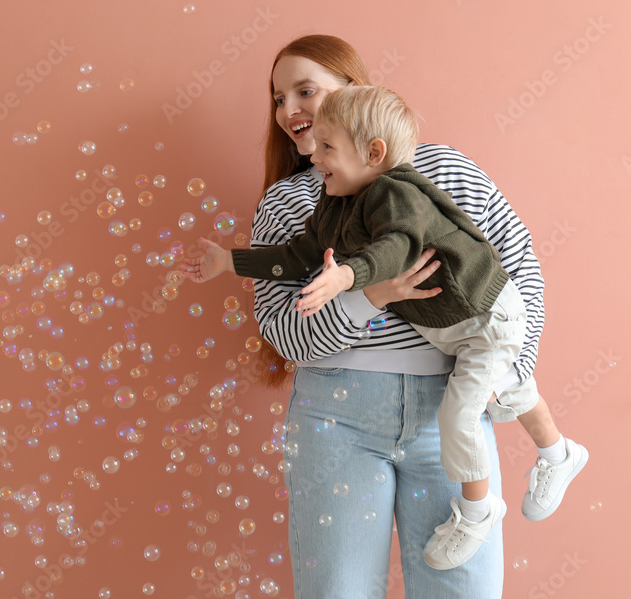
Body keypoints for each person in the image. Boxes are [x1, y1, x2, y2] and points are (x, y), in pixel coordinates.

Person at [183, 84, 588, 571]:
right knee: (509, 388)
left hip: (486, 313)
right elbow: (295, 257)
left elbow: (396, 246)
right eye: (277, 97)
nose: (315, 158)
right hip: (452, 329)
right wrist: (227, 260)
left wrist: (349, 277)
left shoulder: (397, 192)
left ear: (373, 152)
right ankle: (560, 452)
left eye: (327, 146)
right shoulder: (334, 200)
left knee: (462, 413)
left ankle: (478, 511)